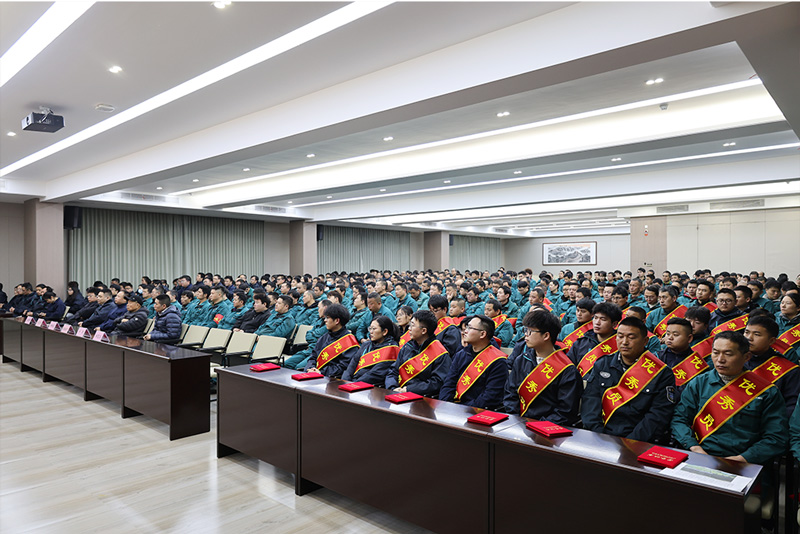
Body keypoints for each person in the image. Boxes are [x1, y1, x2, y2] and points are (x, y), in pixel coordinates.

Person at [671, 331, 787, 465]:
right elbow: (679, 419)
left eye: (728, 354)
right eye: (715, 353)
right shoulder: (699, 383)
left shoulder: (765, 391)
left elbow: (776, 437)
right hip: (699, 455)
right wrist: (694, 447)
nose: (720, 359)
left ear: (746, 357)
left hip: (744, 462)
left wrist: (743, 458)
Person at [581, 317, 676, 442]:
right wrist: (600, 436)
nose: (624, 342)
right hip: (601, 436)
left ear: (645, 341)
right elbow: (590, 401)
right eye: (620, 336)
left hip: (638, 441)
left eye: (631, 337)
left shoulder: (661, 373)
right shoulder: (603, 364)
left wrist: (630, 443)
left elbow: (658, 415)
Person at [503, 310, 582, 425]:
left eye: (530, 331)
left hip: (547, 428)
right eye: (525, 330)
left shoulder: (567, 370)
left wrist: (538, 425)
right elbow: (510, 394)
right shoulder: (522, 360)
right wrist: (516, 419)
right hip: (518, 424)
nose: (526, 334)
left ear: (546, 335)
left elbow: (565, 410)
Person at [439, 315, 507, 409]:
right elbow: (448, 384)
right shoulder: (461, 354)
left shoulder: (498, 361)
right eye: (466, 327)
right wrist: (447, 404)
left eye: (470, 328)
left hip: (476, 411)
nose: (464, 331)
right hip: (453, 409)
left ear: (482, 334)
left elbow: (489, 397)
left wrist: (462, 409)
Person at [743, 315, 800, 417]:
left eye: (757, 334)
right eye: (747, 332)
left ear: (772, 341)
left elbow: (791, 406)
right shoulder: (735, 360)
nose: (749, 338)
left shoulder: (789, 370)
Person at [385, 310, 451, 397]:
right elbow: (393, 371)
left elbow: (436, 383)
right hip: (398, 393)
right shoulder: (407, 347)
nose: (409, 328)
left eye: (412, 325)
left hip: (422, 398)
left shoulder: (440, 353)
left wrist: (409, 389)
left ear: (423, 331)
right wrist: (392, 387)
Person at [565, 301, 621, 378]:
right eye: (595, 318)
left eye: (603, 319)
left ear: (614, 324)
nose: (597, 323)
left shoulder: (620, 344)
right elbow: (568, 367)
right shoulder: (581, 343)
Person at [304, 304, 359, 379]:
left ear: (337, 321)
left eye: (328, 318)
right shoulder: (325, 337)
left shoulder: (349, 341)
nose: (325, 320)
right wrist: (311, 368)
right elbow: (313, 356)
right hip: (314, 374)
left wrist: (321, 372)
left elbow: (343, 367)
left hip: (332, 380)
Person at [342, 315, 400, 385]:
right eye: (370, 328)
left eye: (374, 329)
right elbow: (352, 364)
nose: (371, 332)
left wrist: (354, 383)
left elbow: (375, 374)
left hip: (369, 386)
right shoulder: (366, 344)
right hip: (353, 382)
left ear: (384, 331)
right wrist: (345, 381)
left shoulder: (391, 348)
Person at [284, 300, 331, 370]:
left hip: (318, 352)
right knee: (287, 363)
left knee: (299, 368)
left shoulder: (329, 324)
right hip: (309, 349)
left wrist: (313, 336)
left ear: (325, 308)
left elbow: (318, 338)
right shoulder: (319, 321)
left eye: (319, 308)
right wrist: (314, 337)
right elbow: (308, 335)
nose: (318, 310)